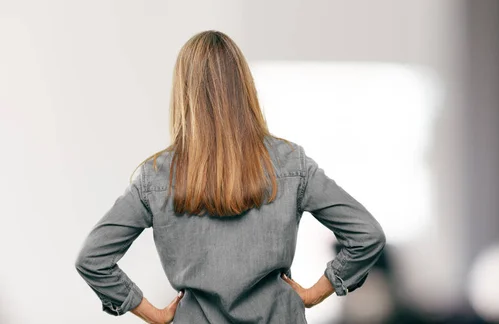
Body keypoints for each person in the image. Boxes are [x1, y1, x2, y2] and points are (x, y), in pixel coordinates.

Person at [74, 30, 386, 324]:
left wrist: (150, 313)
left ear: (183, 93)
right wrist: (316, 293)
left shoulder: (156, 177)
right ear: (244, 86)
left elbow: (93, 259)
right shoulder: (291, 164)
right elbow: (366, 234)